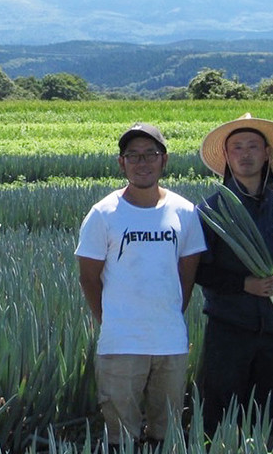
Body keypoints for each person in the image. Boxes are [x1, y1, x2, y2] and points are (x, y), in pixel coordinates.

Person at [75, 122, 206, 448]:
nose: (142, 162)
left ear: (164, 160)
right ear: (122, 163)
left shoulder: (184, 211)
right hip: (121, 344)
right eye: (133, 156)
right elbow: (89, 277)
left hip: (170, 342)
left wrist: (169, 312)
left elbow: (187, 273)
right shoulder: (102, 214)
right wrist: (113, 320)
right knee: (121, 436)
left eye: (150, 154)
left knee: (167, 431)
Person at [194, 114, 273, 440]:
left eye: (253, 147)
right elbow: (199, 270)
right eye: (237, 148)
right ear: (227, 157)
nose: (246, 154)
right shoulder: (212, 211)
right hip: (229, 329)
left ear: (267, 154)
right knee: (220, 419)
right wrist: (243, 285)